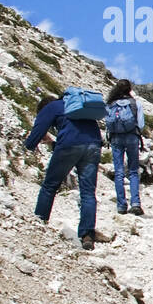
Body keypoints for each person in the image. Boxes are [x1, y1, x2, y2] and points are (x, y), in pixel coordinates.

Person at [25, 93, 103, 250]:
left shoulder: (51, 107)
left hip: (69, 146)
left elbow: (39, 129)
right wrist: (54, 143)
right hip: (94, 146)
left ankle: (40, 222)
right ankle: (87, 235)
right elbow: (78, 136)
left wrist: (28, 146)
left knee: (50, 186)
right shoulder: (78, 108)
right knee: (88, 192)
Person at [105, 78, 145, 216]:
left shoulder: (111, 104)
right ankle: (135, 204)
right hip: (132, 137)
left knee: (119, 172)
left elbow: (107, 122)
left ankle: (121, 205)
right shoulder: (135, 103)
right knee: (133, 171)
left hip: (116, 137)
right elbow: (141, 124)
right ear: (130, 89)